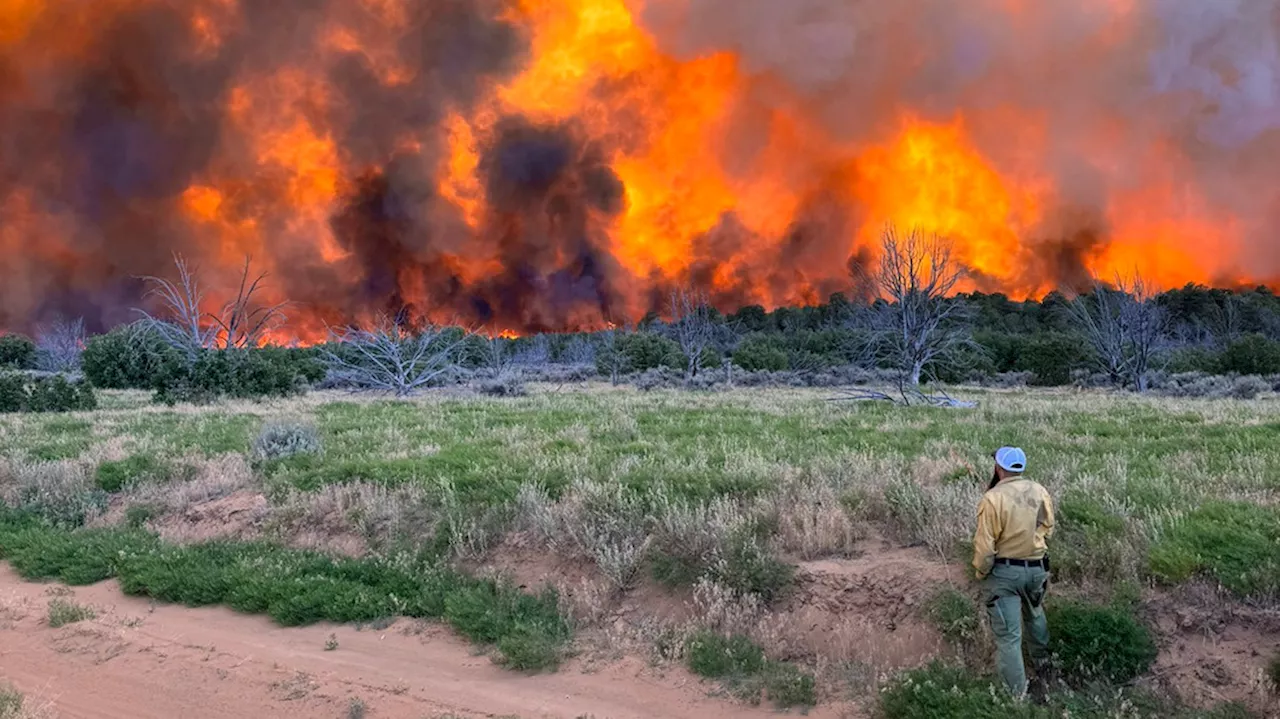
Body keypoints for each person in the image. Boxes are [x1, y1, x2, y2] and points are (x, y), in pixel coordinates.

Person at [972, 446, 1055, 700]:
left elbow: (985, 548)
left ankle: (1017, 698)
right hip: (1037, 569)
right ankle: (1045, 669)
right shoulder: (1040, 490)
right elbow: (1047, 528)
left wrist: (981, 572)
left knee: (1009, 637)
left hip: (1005, 574)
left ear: (998, 468)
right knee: (1035, 615)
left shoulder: (993, 498)